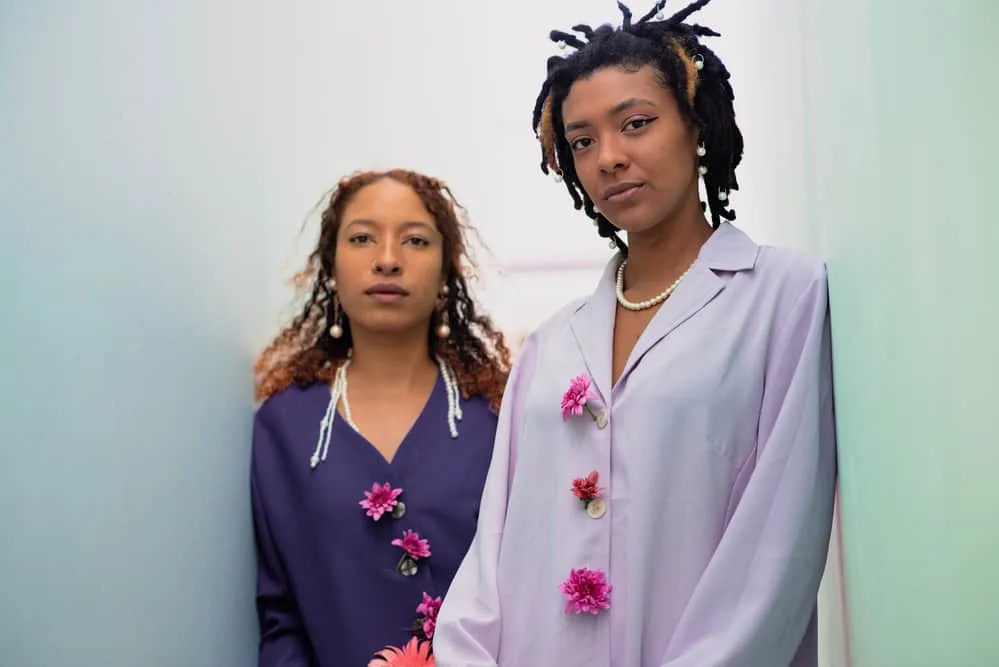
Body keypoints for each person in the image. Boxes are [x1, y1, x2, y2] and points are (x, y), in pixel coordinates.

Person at [432, 2, 837, 666]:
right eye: (582, 140)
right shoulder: (549, 345)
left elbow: (776, 539)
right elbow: (494, 543)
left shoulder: (783, 295)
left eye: (636, 124)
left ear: (696, 126)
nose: (609, 158)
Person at [251, 169, 511, 666]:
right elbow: (280, 614)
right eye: (362, 238)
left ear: (446, 272)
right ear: (331, 265)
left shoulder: (498, 420)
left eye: (415, 240)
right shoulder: (285, 428)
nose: (387, 260)